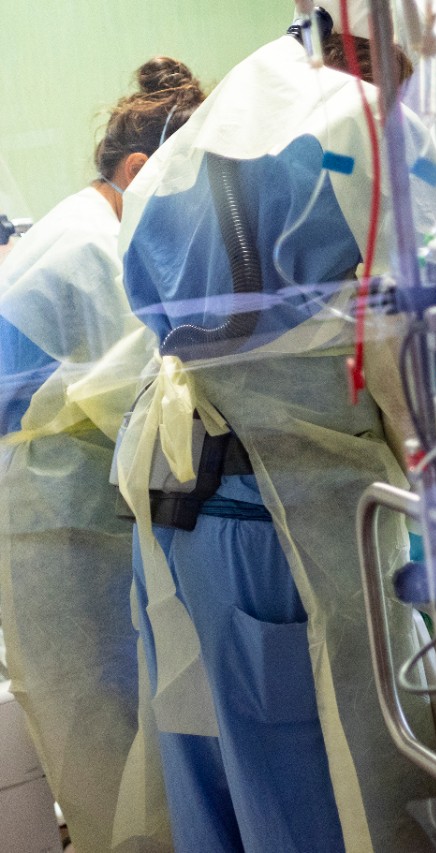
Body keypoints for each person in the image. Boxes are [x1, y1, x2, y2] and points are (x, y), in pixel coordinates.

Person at [107, 5, 436, 851]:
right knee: (318, 796)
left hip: (191, 515)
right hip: (283, 528)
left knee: (223, 790)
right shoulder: (358, 128)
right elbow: (419, 357)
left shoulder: (220, 123)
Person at [0, 56, 205, 853]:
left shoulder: (79, 223)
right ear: (139, 168)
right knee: (109, 754)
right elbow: (149, 408)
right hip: (62, 536)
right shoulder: (95, 248)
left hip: (62, 514)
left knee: (111, 754)